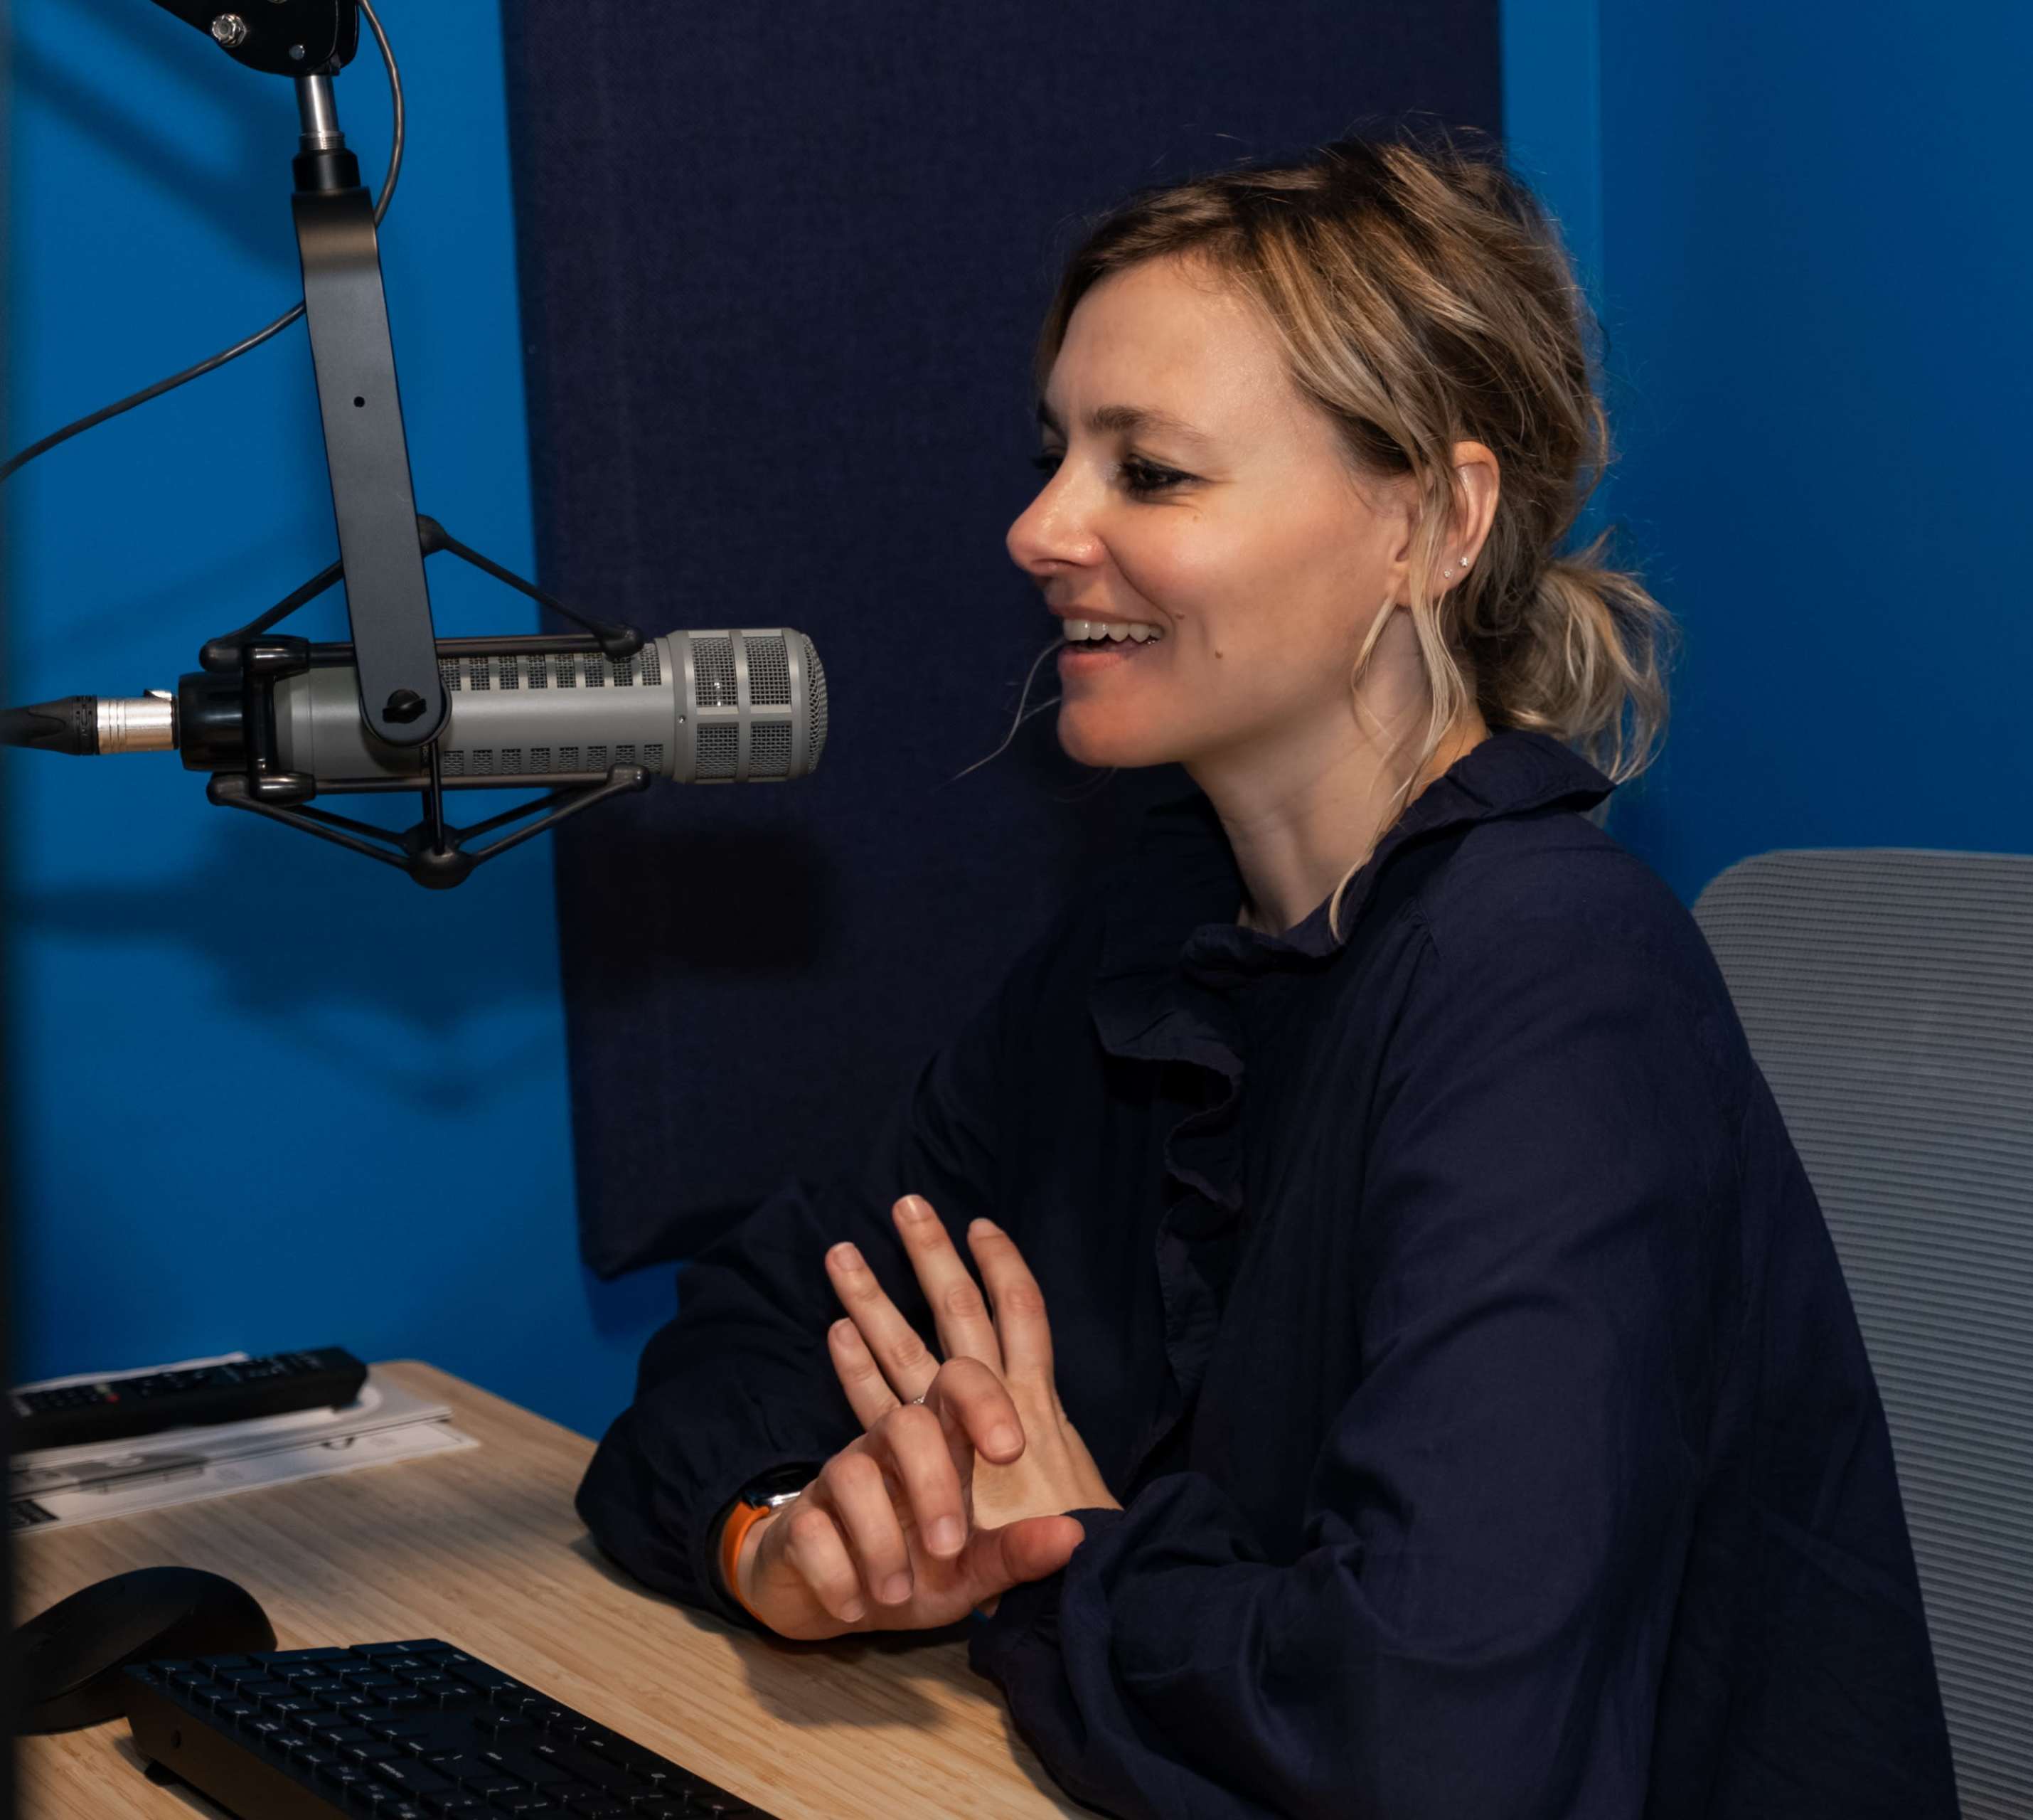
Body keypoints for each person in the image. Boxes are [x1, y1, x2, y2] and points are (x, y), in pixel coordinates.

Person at [577, 134, 1958, 1819]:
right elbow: (742, 1343)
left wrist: (1061, 1560)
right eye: (1052, 455)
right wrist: (785, 1525)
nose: (1036, 526)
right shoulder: (1146, 925)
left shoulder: (1559, 987)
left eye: (1148, 473)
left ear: (1435, 522)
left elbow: (1430, 1742)